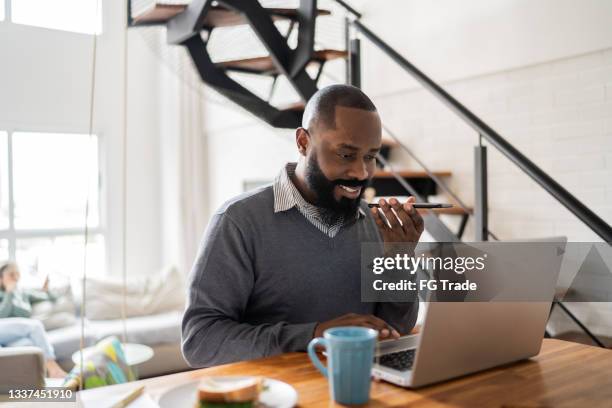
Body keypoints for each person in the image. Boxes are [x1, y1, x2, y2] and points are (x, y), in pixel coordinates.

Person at [182, 84, 423, 367]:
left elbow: (395, 328)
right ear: (303, 142)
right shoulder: (239, 221)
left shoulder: (374, 223)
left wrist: (399, 258)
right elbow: (200, 340)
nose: (361, 172)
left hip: (353, 388)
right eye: (346, 154)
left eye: (370, 157)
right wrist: (313, 335)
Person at [0, 262, 67, 378]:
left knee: (28, 345)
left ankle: (35, 385)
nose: (15, 278)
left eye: (17, 274)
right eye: (11, 275)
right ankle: (53, 368)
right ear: (1, 278)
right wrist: (9, 294)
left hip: (15, 335)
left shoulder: (23, 293)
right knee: (35, 326)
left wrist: (47, 289)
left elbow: (50, 297)